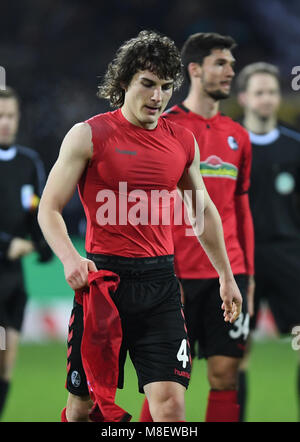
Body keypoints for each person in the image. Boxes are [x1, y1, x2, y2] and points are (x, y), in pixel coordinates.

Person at [37, 30, 243, 423]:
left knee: (170, 408)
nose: (157, 97)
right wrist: (69, 258)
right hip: (103, 287)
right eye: (147, 84)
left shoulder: (182, 141)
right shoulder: (88, 135)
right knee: (83, 410)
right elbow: (49, 208)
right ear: (123, 83)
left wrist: (226, 276)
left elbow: (202, 212)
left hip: (161, 286)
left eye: (166, 87)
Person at [140, 32, 254, 423]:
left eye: (231, 64)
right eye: (221, 63)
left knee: (225, 374)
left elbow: (241, 207)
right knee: (165, 380)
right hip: (174, 274)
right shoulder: (164, 127)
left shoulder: (239, 136)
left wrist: (246, 276)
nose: (230, 72)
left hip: (228, 271)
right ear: (195, 69)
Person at [236, 62, 300, 421]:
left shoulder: (295, 148)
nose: (267, 99)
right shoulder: (230, 147)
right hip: (243, 262)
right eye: (259, 92)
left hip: (291, 257)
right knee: (236, 354)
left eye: (273, 92)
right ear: (244, 97)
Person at [0, 87, 52, 419]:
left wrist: (46, 244)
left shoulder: (28, 162)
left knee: (6, 366)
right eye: (0, 116)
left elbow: (38, 211)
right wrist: (7, 244)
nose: (5, 123)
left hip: (14, 280)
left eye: (10, 116)